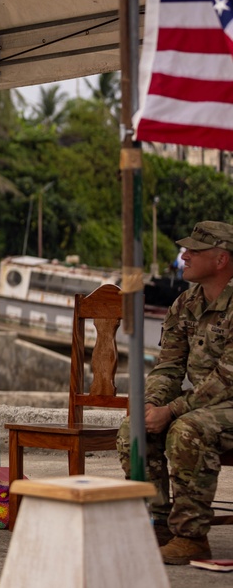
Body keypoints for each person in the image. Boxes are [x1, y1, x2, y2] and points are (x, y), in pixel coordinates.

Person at [117, 221, 233, 565]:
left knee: (187, 430)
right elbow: (168, 367)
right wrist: (153, 404)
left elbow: (227, 378)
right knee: (133, 429)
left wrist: (173, 410)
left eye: (195, 250)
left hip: (224, 403)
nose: (184, 255)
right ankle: (158, 526)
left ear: (221, 259)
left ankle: (191, 537)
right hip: (203, 405)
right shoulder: (186, 304)